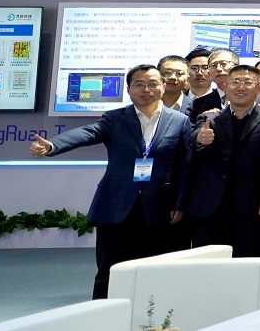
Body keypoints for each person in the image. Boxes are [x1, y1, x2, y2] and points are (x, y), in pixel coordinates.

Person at [31, 64, 190, 299]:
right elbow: (87, 133)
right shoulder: (115, 118)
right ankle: (102, 313)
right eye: (139, 84)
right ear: (128, 89)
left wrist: (179, 203)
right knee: (109, 270)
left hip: (160, 206)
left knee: (153, 271)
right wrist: (53, 145)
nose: (146, 89)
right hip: (116, 205)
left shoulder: (179, 121)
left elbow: (184, 166)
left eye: (152, 84)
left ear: (163, 86)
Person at [180, 64, 260, 257]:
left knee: (246, 262)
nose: (240, 87)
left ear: (259, 88)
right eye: (235, 82)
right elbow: (193, 140)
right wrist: (200, 139)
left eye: (247, 82)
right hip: (210, 205)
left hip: (251, 206)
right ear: (225, 87)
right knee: (206, 262)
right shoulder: (210, 117)